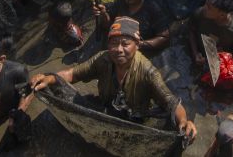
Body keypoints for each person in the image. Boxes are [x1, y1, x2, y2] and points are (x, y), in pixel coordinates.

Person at [30, 17, 198, 139]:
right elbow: (73, 74)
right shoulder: (103, 59)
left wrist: (184, 121)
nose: (118, 49)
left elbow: (171, 102)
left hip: (134, 120)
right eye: (113, 43)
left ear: (137, 45)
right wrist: (49, 78)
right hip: (107, 107)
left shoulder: (148, 72)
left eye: (125, 44)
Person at [93, 0, 171, 53]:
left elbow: (164, 38)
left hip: (142, 51)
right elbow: (108, 26)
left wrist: (138, 44)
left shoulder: (153, 8)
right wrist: (103, 14)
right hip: (118, 48)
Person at [189, 0, 233, 65]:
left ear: (222, 14)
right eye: (206, 3)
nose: (204, 7)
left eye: (209, 7)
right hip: (200, 54)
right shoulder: (200, 13)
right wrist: (195, 53)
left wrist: (224, 59)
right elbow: (191, 31)